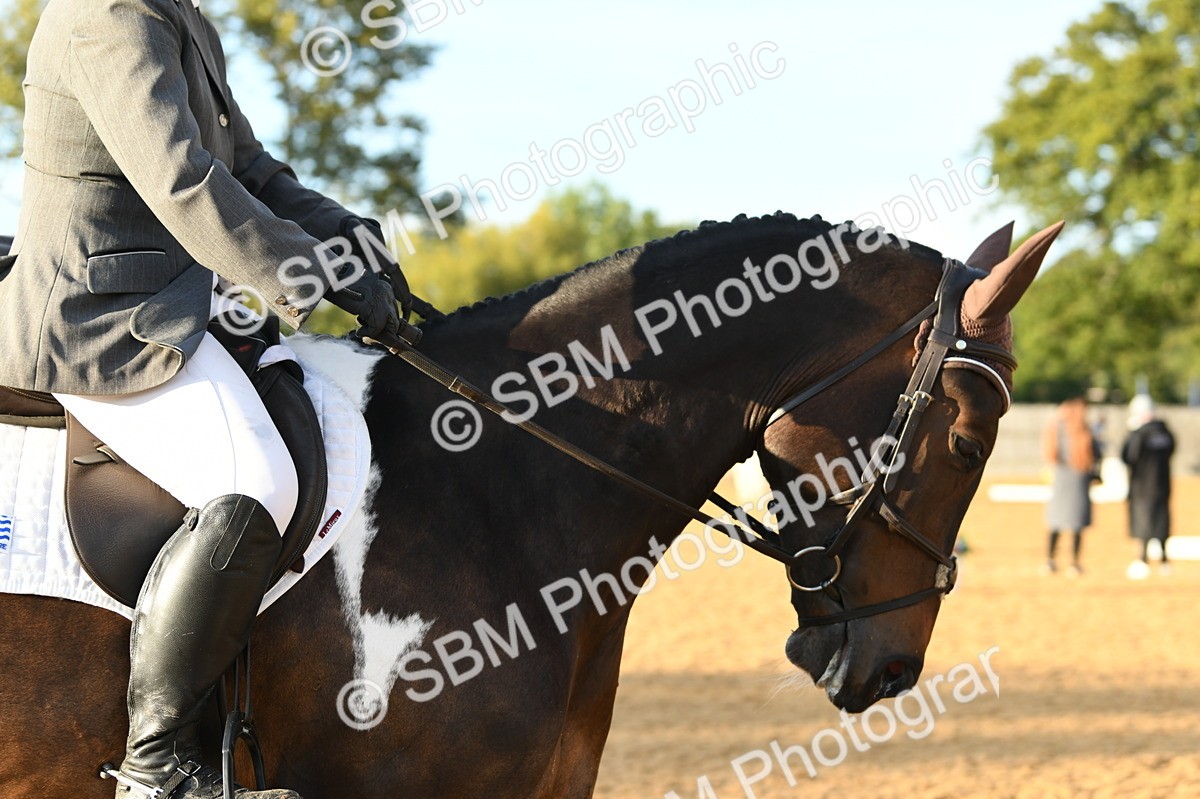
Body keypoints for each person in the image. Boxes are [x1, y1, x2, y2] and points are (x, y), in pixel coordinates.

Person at [0, 0, 410, 795]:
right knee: (256, 479)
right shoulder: (108, 14)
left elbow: (246, 168)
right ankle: (156, 766)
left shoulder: (179, 14)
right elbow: (182, 181)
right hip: (94, 318)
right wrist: (312, 272)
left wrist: (349, 241)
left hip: (169, 303)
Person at [1042, 397, 1098, 576]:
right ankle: (1074, 563)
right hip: (1079, 477)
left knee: (1055, 521)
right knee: (1076, 523)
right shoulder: (1084, 430)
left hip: (1060, 476)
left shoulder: (1056, 428)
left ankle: (1049, 560)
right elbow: (1095, 453)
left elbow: (1049, 453)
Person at [1121, 395, 1175, 579]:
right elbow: (1172, 450)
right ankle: (1164, 561)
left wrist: (1132, 434)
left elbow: (1129, 456)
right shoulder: (1165, 431)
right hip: (1163, 484)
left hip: (1142, 486)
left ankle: (1143, 560)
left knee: (1144, 522)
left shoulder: (1140, 434)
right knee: (1162, 521)